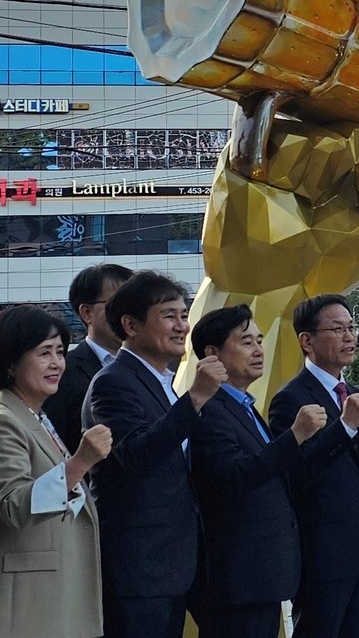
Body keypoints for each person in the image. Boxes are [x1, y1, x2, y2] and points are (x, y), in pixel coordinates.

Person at [82, 270, 222, 638]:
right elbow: (136, 456)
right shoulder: (113, 382)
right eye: (169, 316)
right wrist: (195, 399)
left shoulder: (161, 381)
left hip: (173, 563)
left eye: (183, 314)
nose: (182, 326)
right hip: (138, 567)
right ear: (130, 325)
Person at [0, 305, 111, 638]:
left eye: (60, 351)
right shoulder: (0, 423)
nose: (57, 363)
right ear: (11, 362)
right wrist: (82, 461)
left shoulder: (33, 417)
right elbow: (16, 506)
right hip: (27, 604)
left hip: (51, 595)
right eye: (44, 353)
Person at [188, 305, 331, 638]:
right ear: (212, 354)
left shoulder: (244, 406)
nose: (258, 350)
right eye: (246, 341)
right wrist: (294, 436)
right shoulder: (210, 409)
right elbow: (235, 477)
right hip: (237, 577)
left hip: (261, 572)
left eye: (259, 340)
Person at [267, 294, 359, 638]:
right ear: (307, 340)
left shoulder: (353, 392)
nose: (349, 337)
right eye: (337, 329)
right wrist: (344, 427)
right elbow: (295, 472)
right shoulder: (291, 399)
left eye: (351, 328)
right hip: (322, 552)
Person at [47, 263, 132, 453]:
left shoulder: (160, 369)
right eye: (118, 304)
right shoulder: (61, 373)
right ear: (86, 312)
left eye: (138, 304)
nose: (130, 314)